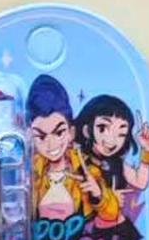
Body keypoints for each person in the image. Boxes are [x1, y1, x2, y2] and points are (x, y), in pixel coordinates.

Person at [76, 93, 149, 229]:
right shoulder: (78, 160)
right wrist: (108, 196)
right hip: (81, 228)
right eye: (102, 128)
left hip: (113, 227)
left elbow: (141, 182)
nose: (112, 140)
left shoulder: (117, 163)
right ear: (86, 130)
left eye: (121, 134)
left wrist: (147, 150)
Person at [29, 75, 100, 223]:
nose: (51, 144)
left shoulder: (86, 170)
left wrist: (98, 196)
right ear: (30, 136)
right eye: (41, 136)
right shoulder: (30, 172)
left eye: (59, 132)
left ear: (71, 133)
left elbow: (108, 214)